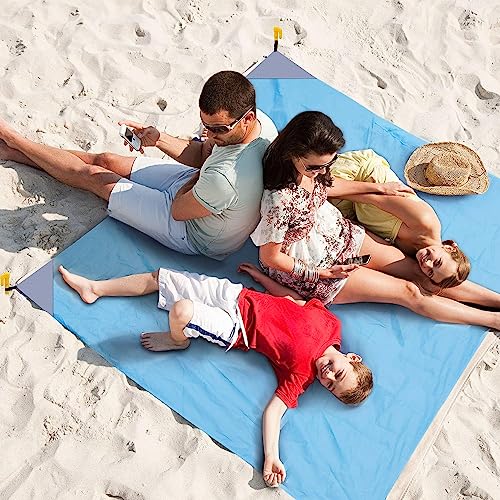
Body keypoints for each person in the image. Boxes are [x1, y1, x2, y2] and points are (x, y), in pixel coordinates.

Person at [57, 262, 373, 488]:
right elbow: (294, 302)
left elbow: (274, 412)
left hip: (235, 329)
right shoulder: (331, 324)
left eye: (329, 385)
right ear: (352, 357)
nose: (327, 376)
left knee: (181, 310)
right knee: (160, 277)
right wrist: (262, 279)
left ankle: (177, 341)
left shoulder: (301, 376)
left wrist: (271, 457)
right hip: (237, 296)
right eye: (339, 373)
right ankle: (94, 288)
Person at [250, 111, 500, 328]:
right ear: (293, 153)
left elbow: (328, 186)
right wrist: (322, 273)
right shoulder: (279, 201)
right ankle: (493, 320)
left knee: (419, 272)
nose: (323, 172)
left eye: (329, 163)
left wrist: (379, 188)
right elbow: (270, 257)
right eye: (315, 167)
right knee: (409, 292)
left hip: (342, 237)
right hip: (316, 266)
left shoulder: (310, 168)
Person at [0, 71, 277, 260]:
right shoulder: (259, 125)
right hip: (201, 189)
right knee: (106, 160)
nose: (210, 135)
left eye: (218, 129)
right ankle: (15, 152)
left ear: (247, 118)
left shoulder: (224, 177)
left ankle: (14, 139)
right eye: (205, 126)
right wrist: (158, 140)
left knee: (95, 176)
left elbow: (179, 210)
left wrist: (202, 175)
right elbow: (203, 155)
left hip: (192, 230)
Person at [327, 146, 500, 304]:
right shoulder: (424, 221)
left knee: (428, 283)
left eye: (431, 272)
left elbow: (440, 279)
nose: (427, 264)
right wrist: (324, 192)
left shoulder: (420, 255)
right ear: (449, 247)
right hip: (362, 179)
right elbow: (372, 196)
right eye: (437, 262)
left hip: (355, 207)